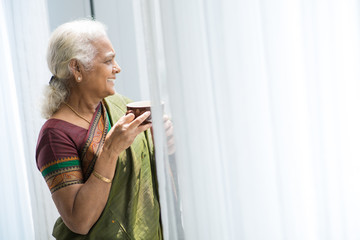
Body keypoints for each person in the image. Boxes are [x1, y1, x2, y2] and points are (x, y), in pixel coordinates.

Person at [35, 19, 164, 239]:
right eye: (108, 60)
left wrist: (165, 143)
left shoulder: (122, 108)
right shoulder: (54, 135)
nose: (117, 68)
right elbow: (80, 221)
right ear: (76, 68)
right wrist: (111, 150)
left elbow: (156, 173)